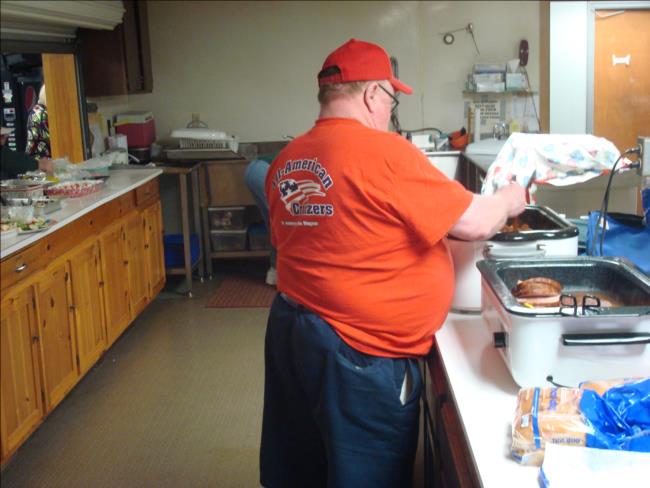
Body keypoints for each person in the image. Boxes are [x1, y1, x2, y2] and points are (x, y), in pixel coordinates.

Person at [259, 38, 526, 488]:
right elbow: (477, 222)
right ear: (371, 94)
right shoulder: (383, 153)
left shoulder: (286, 161)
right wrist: (508, 199)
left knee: (307, 468)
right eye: (390, 99)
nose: (389, 111)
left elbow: (332, 238)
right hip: (358, 354)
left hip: (292, 335)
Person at [244, 152, 279, 286]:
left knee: (275, 224)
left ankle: (275, 273)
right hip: (264, 172)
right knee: (284, 223)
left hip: (256, 169)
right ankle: (284, 276)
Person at [25, 84, 51, 160]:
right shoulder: (41, 113)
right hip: (45, 159)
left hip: (42, 158)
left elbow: (31, 140)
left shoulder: (36, 112)